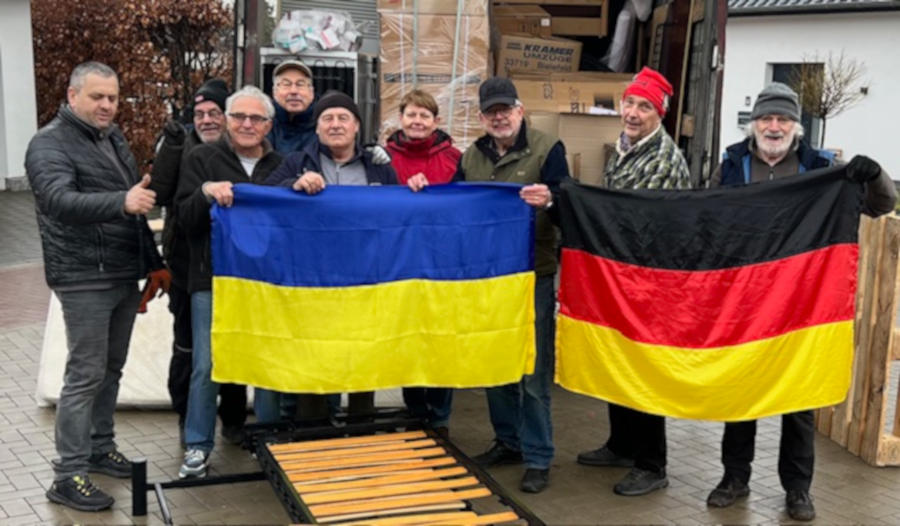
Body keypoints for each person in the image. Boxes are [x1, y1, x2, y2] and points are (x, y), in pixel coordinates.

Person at [707, 82, 897, 521]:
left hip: (803, 303)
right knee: (741, 395)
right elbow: (709, 216)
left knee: (799, 401)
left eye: (783, 119)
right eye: (766, 119)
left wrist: (874, 175)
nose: (774, 127)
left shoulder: (821, 167)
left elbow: (880, 204)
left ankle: (797, 489)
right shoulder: (732, 166)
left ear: (796, 125)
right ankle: (734, 477)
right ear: (753, 123)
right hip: (747, 300)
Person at [25, 61, 167, 511]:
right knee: (84, 375)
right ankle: (68, 474)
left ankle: (99, 448)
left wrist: (154, 264)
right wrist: (121, 200)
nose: (107, 105)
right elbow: (58, 201)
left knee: (111, 368)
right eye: (97, 97)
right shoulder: (48, 144)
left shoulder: (113, 138)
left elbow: (134, 207)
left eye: (112, 97)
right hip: (84, 275)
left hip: (122, 272)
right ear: (72, 96)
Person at [440, 77, 569, 494]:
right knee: (495, 362)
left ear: (520, 110)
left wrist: (549, 200)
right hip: (488, 276)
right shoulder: (470, 157)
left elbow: (569, 201)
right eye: (491, 111)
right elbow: (455, 210)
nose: (499, 117)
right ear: (481, 118)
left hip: (534, 273)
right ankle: (507, 442)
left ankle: (538, 456)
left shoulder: (549, 149)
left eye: (506, 109)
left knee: (533, 370)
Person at [575, 67, 691, 497]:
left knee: (644, 370)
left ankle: (652, 463)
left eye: (645, 106)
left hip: (651, 284)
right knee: (617, 362)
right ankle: (621, 444)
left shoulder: (663, 159)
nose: (634, 113)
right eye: (630, 103)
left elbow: (641, 225)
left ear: (659, 114)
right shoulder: (625, 149)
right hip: (621, 278)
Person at [265, 90, 397, 422]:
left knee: (363, 356)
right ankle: (314, 432)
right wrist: (294, 184)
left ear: (356, 127)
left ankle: (361, 429)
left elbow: (399, 215)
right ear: (317, 128)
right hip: (314, 280)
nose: (335, 125)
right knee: (315, 356)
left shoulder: (379, 169)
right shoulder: (297, 161)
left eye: (343, 118)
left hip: (366, 278)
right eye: (327, 118)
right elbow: (264, 197)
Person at [175, 86, 283, 478]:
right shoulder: (201, 158)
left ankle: (270, 440)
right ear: (227, 119)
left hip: (266, 283)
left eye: (256, 118)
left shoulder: (282, 165)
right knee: (207, 365)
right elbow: (184, 219)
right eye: (239, 117)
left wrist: (307, 189)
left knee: (266, 362)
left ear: (269, 124)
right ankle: (198, 445)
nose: (247, 125)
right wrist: (205, 193)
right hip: (213, 279)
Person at [150, 78, 248, 448]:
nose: (206, 120)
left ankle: (234, 420)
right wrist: (171, 145)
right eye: (200, 114)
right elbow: (160, 192)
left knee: (231, 345)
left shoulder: (241, 151)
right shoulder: (180, 145)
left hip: (231, 267)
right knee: (188, 348)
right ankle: (187, 417)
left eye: (214, 113)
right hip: (184, 265)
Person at [385, 89, 461, 436]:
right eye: (411, 114)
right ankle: (415, 410)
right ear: (400, 118)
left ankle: (441, 415)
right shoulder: (382, 158)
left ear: (436, 121)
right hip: (398, 262)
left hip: (441, 263)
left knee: (440, 340)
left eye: (424, 116)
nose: (417, 121)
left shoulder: (455, 159)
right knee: (407, 337)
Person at [267, 60, 317, 154]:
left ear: (311, 92)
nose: (293, 91)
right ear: (274, 92)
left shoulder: (323, 126)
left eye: (300, 84)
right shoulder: (263, 125)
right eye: (286, 84)